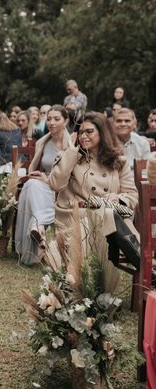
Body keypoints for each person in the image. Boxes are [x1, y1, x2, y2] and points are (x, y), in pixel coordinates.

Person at [48, 112, 142, 286]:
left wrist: (117, 198)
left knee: (106, 213)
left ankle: (137, 263)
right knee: (102, 216)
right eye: (80, 132)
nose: (84, 136)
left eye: (89, 131)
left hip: (107, 221)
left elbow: (132, 196)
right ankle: (140, 260)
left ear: (102, 132)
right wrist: (71, 152)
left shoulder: (118, 161)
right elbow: (55, 184)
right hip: (76, 218)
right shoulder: (70, 157)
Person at [14, 105, 70, 264]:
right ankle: (39, 230)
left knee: (34, 187)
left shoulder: (73, 144)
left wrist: (48, 180)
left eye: (56, 119)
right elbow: (37, 168)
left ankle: (38, 226)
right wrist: (37, 175)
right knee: (31, 184)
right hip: (43, 184)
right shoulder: (43, 142)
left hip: (63, 187)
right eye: (49, 118)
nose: (51, 122)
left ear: (66, 121)